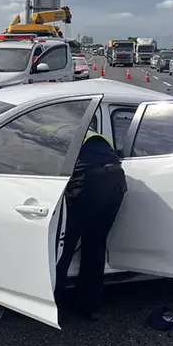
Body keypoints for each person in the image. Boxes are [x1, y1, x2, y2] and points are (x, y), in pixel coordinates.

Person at [54, 124, 127, 320]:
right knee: (95, 243)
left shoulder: (51, 133)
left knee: (63, 245)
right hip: (116, 180)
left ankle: (51, 305)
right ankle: (90, 306)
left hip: (87, 181)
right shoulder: (89, 132)